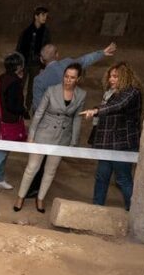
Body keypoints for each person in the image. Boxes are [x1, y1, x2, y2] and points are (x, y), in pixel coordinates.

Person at [23, 41, 117, 199]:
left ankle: (32, 189)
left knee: (36, 162)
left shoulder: (40, 79)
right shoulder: (67, 64)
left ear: (41, 59)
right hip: (64, 129)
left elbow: (38, 106)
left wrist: (36, 128)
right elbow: (84, 60)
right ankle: (39, 193)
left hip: (46, 128)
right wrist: (102, 52)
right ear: (57, 55)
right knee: (51, 164)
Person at [14, 63, 86, 213]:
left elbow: (77, 119)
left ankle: (40, 199)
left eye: (72, 77)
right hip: (43, 134)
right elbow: (39, 113)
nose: (68, 80)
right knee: (32, 168)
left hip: (62, 138)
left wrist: (74, 142)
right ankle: (20, 197)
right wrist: (31, 135)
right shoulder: (51, 90)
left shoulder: (81, 95)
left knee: (50, 171)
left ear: (78, 79)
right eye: (66, 76)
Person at [81, 62, 143, 210]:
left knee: (123, 179)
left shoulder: (132, 92)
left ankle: (132, 212)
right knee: (101, 177)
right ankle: (97, 208)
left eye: (115, 76)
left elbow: (118, 106)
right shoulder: (109, 93)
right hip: (107, 143)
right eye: (110, 76)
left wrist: (96, 110)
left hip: (123, 144)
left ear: (124, 77)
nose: (111, 79)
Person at [0, 52, 28, 193]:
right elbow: (12, 105)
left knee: (4, 152)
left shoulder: (1, 78)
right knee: (1, 153)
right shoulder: (14, 83)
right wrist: (24, 111)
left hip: (0, 121)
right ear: (19, 67)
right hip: (8, 123)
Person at [16, 6, 51, 112]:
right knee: (20, 86)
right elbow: (19, 48)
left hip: (36, 64)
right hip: (24, 63)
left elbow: (47, 49)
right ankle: (18, 107)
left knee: (33, 87)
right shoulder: (26, 31)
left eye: (46, 16)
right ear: (36, 16)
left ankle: (28, 107)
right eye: (42, 15)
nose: (44, 18)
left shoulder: (46, 33)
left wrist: (44, 65)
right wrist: (18, 65)